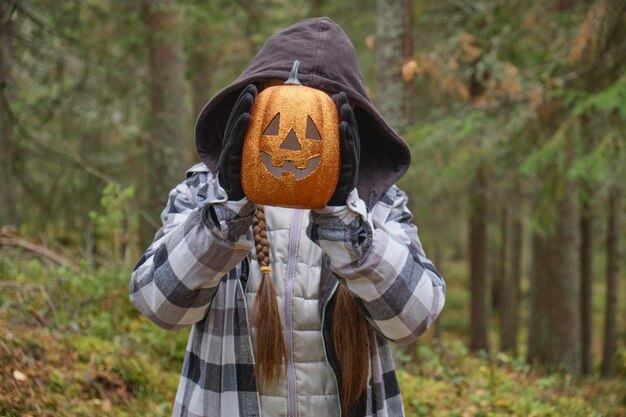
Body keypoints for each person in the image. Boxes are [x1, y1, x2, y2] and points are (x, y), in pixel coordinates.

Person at [130, 17, 445, 417]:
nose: (293, 139)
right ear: (255, 107)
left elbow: (414, 320)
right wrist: (228, 211)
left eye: (315, 122)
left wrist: (343, 222)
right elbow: (158, 303)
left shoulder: (377, 204)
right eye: (279, 116)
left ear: (347, 123)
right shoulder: (206, 192)